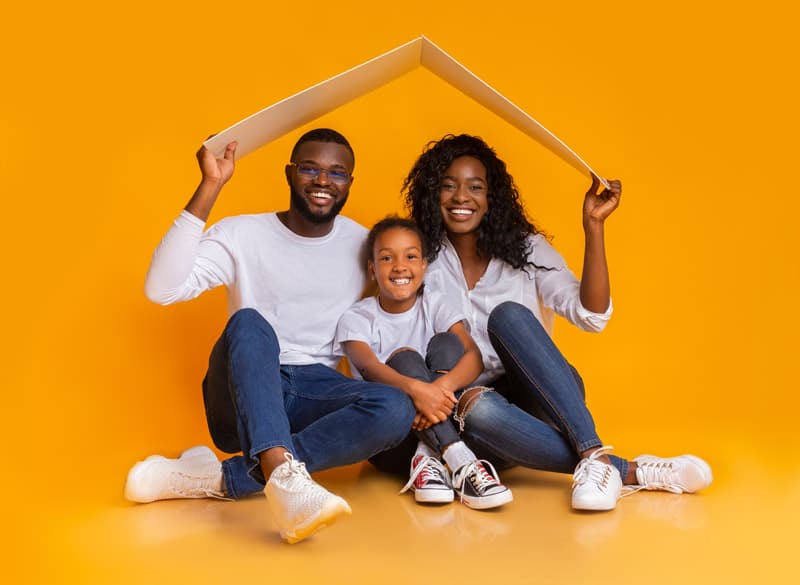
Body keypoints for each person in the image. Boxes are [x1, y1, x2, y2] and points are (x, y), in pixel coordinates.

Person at [371, 133, 712, 512]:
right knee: (476, 406)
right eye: (448, 186)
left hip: (542, 392)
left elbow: (592, 315)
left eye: (475, 187)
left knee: (509, 316)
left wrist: (594, 227)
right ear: (432, 194)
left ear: (491, 196)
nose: (461, 197)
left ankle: (593, 451)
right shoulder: (419, 260)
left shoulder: (527, 249)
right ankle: (629, 470)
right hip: (462, 409)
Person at [124, 128, 416, 543]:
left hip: (315, 391)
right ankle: (283, 476)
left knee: (394, 406)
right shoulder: (242, 234)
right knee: (250, 321)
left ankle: (221, 477)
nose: (322, 182)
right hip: (244, 391)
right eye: (310, 169)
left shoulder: (362, 243)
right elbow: (161, 288)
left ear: (350, 183)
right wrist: (210, 185)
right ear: (289, 173)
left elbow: (404, 300)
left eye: (337, 173)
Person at [334, 216, 513, 509]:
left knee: (448, 342)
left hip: (443, 415)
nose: (400, 266)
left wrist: (438, 389)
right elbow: (368, 367)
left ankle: (431, 458)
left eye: (410, 257)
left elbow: (473, 357)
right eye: (387, 258)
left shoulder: (436, 303)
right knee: (404, 358)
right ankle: (461, 462)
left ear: (423, 266)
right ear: (372, 268)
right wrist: (418, 391)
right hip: (392, 439)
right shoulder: (357, 318)